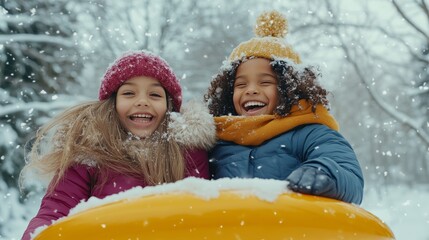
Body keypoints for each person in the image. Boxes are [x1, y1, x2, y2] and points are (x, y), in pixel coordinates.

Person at [20, 50, 216, 240]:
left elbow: (198, 216)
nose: (142, 101)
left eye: (155, 95)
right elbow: (56, 210)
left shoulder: (187, 153)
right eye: (129, 93)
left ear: (169, 107)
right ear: (112, 105)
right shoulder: (89, 154)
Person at [204, 10, 363, 204]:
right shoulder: (217, 140)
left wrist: (323, 172)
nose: (251, 90)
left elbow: (348, 175)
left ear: (289, 88)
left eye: (265, 82)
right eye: (241, 85)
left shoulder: (311, 134)